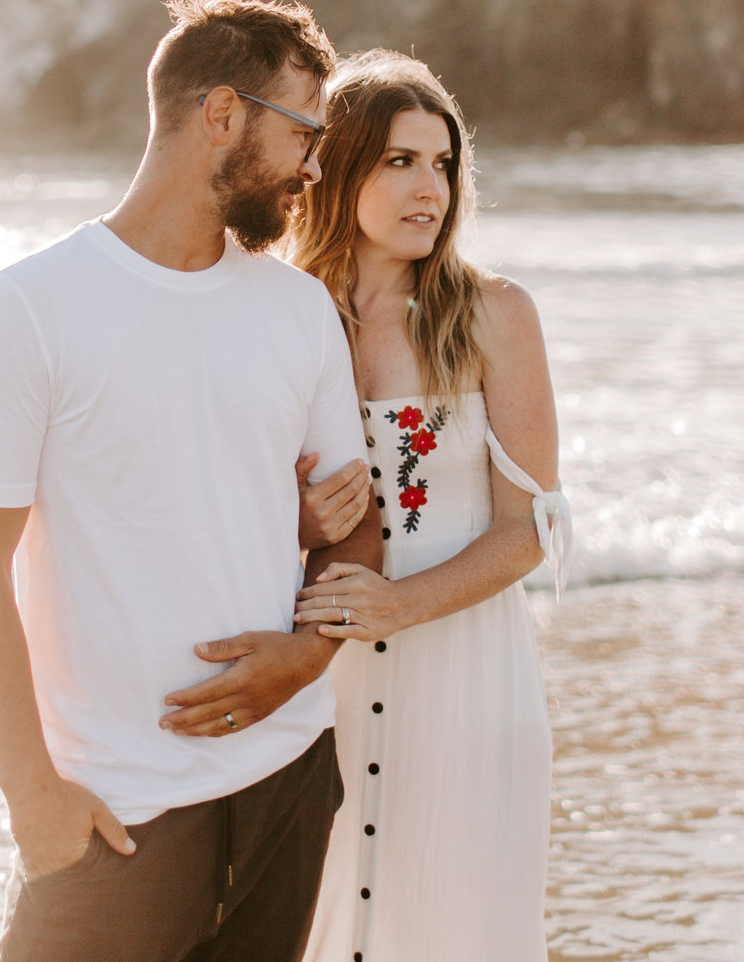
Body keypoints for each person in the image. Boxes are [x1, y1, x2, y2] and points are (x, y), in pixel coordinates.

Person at [0, 0, 382, 962]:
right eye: (304, 131)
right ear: (220, 113)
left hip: (289, 774)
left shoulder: (298, 311)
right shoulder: (30, 308)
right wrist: (32, 802)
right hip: (117, 806)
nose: (315, 166)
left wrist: (305, 657)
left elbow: (357, 521)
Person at [285, 51, 572, 962]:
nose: (430, 187)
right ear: (338, 166)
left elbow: (529, 530)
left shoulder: (494, 313)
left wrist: (400, 606)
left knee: (457, 917)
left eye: (442, 163)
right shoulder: (285, 315)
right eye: (400, 161)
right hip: (323, 670)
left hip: (466, 668)